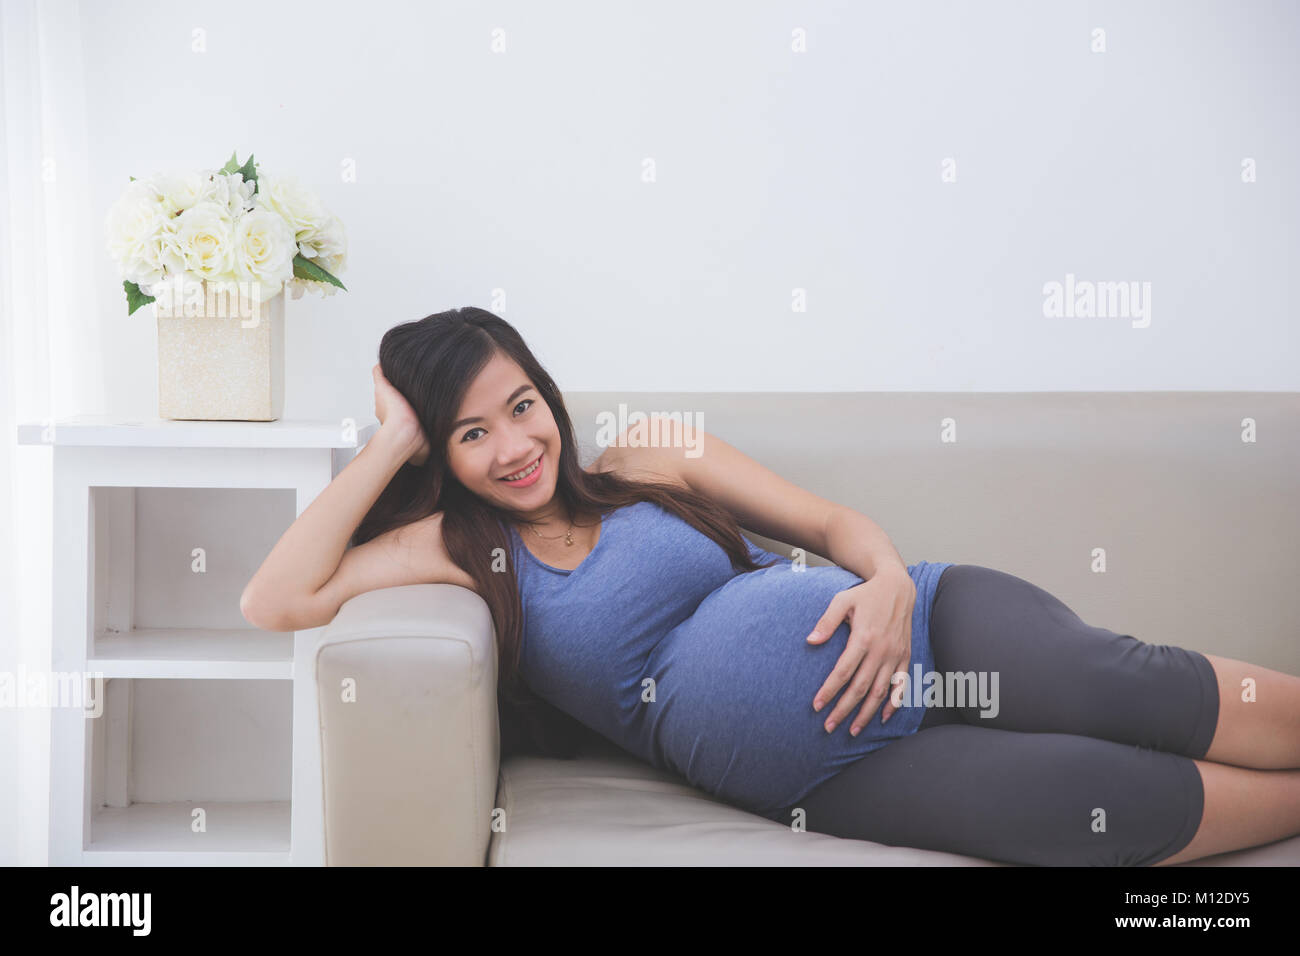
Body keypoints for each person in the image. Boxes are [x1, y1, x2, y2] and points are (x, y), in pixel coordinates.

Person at [240, 306, 1300, 867]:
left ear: (547, 393)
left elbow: (832, 525)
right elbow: (276, 597)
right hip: (828, 768)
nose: (515, 444)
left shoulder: (651, 454)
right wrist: (391, 442)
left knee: (1125, 685)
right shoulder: (458, 548)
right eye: (471, 431)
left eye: (522, 405)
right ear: (441, 447)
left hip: (920, 623)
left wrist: (882, 580)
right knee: (1086, 808)